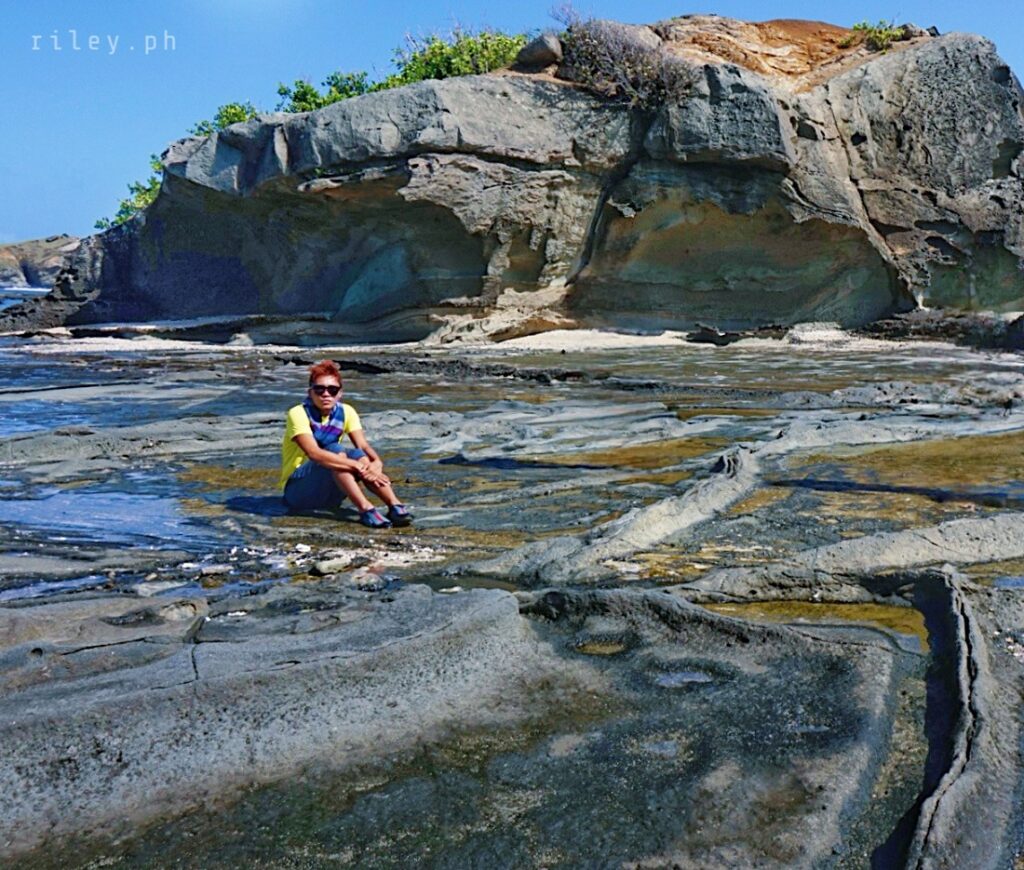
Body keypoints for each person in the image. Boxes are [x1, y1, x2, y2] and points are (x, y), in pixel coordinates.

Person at [279, 360, 411, 528]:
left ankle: (395, 506)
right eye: (319, 389)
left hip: (332, 491)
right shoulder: (298, 413)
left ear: (340, 393)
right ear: (310, 392)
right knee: (337, 450)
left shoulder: (346, 411)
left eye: (332, 390)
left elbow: (362, 446)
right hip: (298, 492)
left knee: (357, 454)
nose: (326, 394)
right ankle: (366, 509)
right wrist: (358, 467)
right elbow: (314, 453)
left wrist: (376, 464)